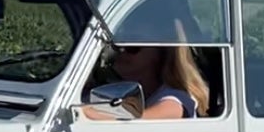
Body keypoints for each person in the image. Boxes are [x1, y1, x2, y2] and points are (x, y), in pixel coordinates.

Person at [80, 37, 210, 120]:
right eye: (117, 45)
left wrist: (83, 112)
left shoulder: (175, 98)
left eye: (133, 48)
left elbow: (142, 120)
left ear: (158, 55)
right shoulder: (130, 91)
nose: (121, 51)